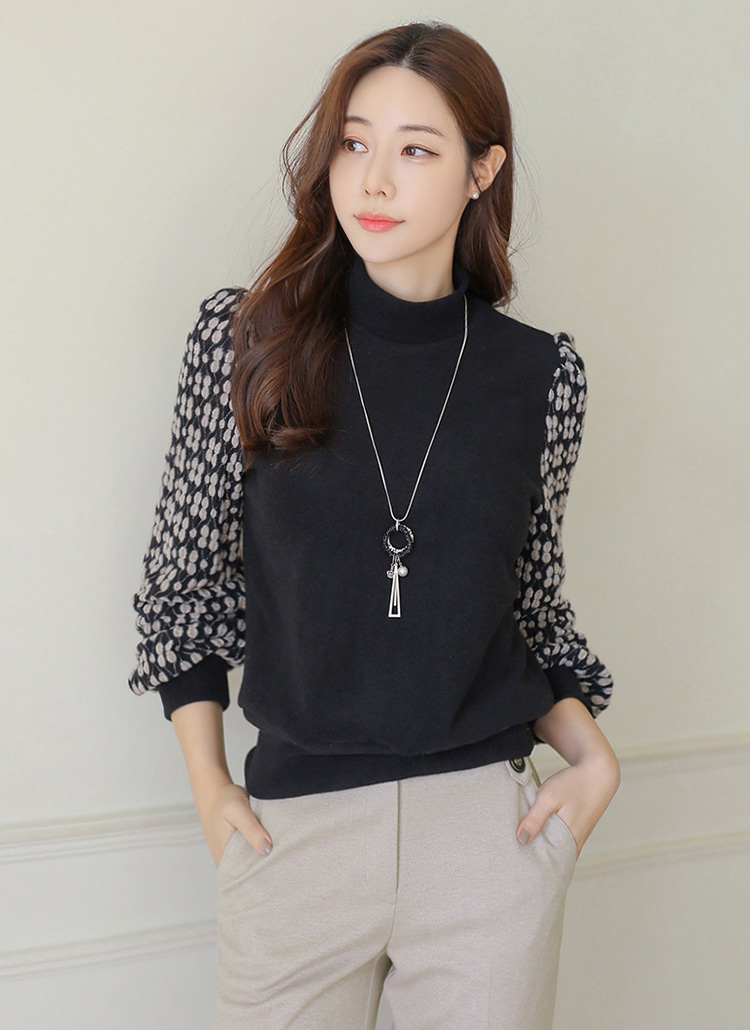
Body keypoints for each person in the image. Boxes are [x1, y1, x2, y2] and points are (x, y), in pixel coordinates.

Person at [128, 19, 620, 1030]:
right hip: (296, 835)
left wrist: (594, 757)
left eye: (417, 150)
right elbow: (182, 586)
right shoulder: (244, 344)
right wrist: (211, 786)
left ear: (483, 170)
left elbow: (528, 607)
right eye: (354, 142)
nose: (374, 180)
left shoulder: (542, 376)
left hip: (484, 836)